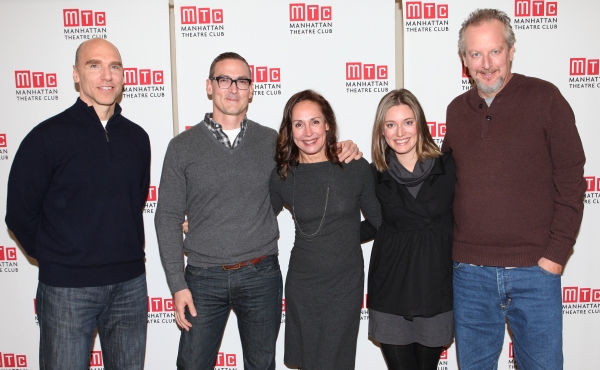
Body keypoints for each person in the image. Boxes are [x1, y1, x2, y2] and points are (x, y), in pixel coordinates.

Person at [155, 53, 360, 370]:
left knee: (262, 364)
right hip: (202, 279)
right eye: (224, 79)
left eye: (242, 81)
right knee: (192, 364)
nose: (233, 88)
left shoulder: (273, 142)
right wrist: (177, 285)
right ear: (210, 87)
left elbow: (311, 168)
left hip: (261, 275)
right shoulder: (182, 146)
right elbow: (166, 216)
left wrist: (343, 147)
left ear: (251, 89)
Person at [442, 9, 586, 370]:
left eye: (495, 51)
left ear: (510, 51)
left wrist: (554, 256)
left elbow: (571, 180)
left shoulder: (545, 98)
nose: (486, 63)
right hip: (470, 274)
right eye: (475, 54)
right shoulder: (456, 111)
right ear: (464, 60)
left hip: (534, 273)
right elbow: (440, 181)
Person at [5, 39, 150, 370]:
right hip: (67, 290)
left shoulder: (137, 138)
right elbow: (20, 214)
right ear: (76, 74)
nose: (106, 75)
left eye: (114, 66)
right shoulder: (46, 137)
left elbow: (134, 200)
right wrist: (60, 258)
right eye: (94, 65)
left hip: (129, 285)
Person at [269, 89, 382, 370]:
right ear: (290, 130)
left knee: (336, 361)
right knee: (309, 362)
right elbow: (256, 219)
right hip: (302, 284)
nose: (308, 132)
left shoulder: (354, 167)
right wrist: (203, 221)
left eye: (315, 122)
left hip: (344, 283)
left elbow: (381, 223)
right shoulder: (282, 174)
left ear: (328, 124)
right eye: (299, 124)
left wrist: (343, 236)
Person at [360, 89, 455, 370]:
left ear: (420, 124)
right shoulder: (372, 173)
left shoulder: (449, 166)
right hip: (391, 287)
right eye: (390, 124)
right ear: (382, 130)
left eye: (407, 122)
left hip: (435, 287)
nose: (400, 132)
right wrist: (331, 238)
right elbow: (375, 224)